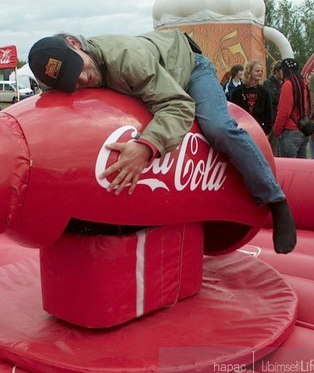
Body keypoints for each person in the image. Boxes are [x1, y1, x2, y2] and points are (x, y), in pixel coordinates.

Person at [28, 30, 296, 254]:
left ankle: (275, 199)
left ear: (76, 44)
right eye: (71, 81)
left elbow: (178, 105)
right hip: (156, 77)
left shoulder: (128, 60)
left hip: (190, 69)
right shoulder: (71, 76)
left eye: (79, 68)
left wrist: (146, 147)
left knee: (218, 128)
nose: (83, 79)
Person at [272, 59, 310, 158]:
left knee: (288, 168)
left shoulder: (288, 85)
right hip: (303, 130)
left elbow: (284, 112)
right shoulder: (303, 83)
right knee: (300, 168)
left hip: (290, 132)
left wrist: (277, 130)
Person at [229, 60, 273, 135]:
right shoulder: (237, 91)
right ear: (249, 71)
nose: (260, 73)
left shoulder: (264, 92)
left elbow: (268, 115)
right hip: (241, 131)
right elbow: (232, 113)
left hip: (259, 132)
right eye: (257, 71)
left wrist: (265, 131)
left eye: (261, 71)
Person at [263, 60, 284, 155]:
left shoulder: (280, 83)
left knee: (279, 147)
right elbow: (274, 98)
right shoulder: (268, 83)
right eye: (282, 71)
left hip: (279, 118)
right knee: (272, 147)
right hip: (272, 119)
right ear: (276, 71)